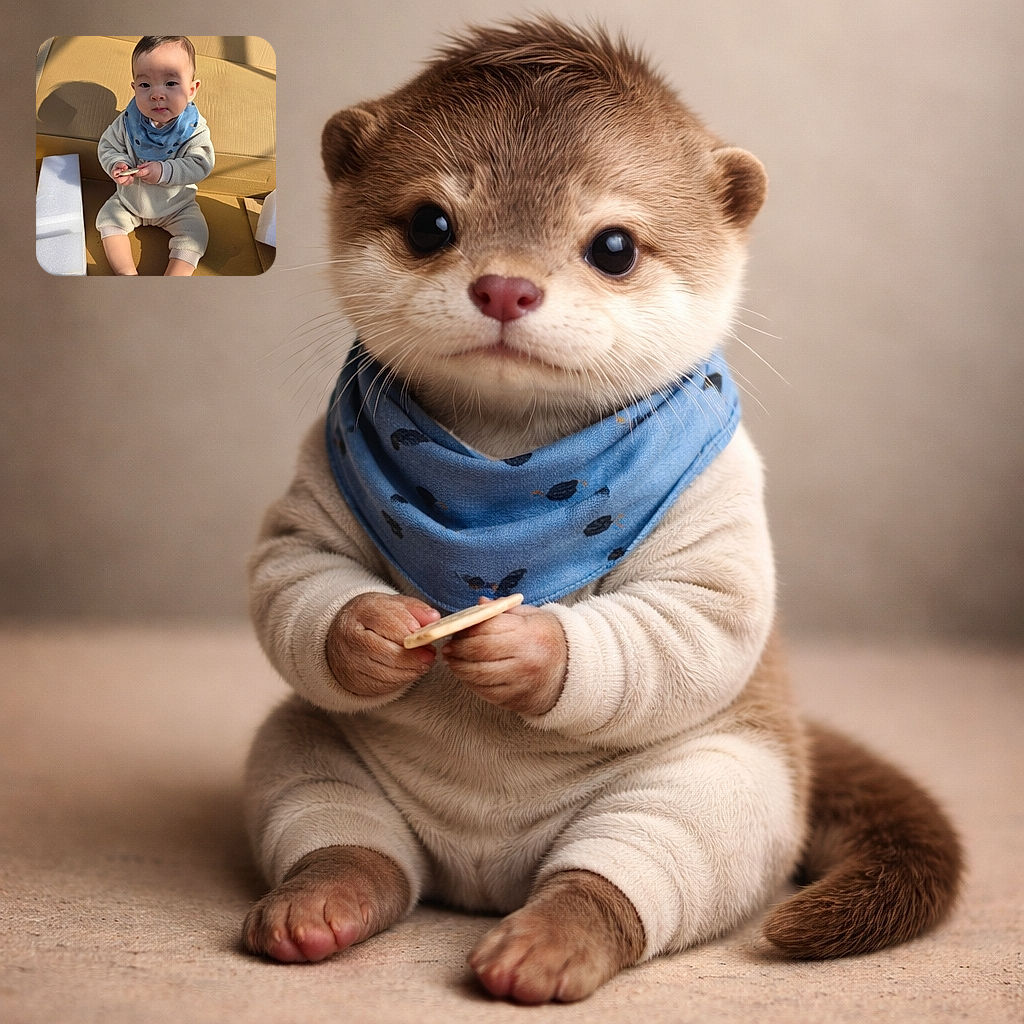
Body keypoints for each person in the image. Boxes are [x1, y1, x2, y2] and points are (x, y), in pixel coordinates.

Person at [95, 36, 214, 276]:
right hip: (129, 201)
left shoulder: (193, 129)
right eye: (145, 85)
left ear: (191, 90)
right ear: (134, 88)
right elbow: (107, 147)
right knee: (107, 219)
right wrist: (117, 164)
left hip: (177, 205)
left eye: (170, 83)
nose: (157, 94)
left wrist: (165, 171)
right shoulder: (128, 122)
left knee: (197, 234)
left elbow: (202, 163)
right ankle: (127, 273)